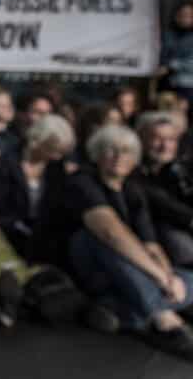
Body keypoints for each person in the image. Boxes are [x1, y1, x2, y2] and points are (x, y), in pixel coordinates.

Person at [47, 125, 193, 360]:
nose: (118, 157)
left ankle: (121, 312)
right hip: (88, 264)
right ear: (97, 154)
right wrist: (159, 277)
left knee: (186, 279)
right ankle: (163, 318)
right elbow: (110, 232)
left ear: (134, 158)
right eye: (110, 150)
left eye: (125, 151)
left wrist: (169, 277)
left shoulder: (132, 189)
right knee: (99, 238)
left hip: (127, 274)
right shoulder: (82, 182)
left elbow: (151, 244)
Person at [0, 114, 74, 260]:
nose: (57, 156)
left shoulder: (56, 167)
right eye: (53, 150)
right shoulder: (6, 163)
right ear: (39, 141)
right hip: (11, 230)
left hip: (45, 232)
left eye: (61, 152)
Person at [132, 112, 193, 268]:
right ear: (141, 139)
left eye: (171, 139)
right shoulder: (132, 171)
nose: (165, 146)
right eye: (157, 139)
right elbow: (160, 203)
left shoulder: (180, 168)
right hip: (158, 238)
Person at [161, 0, 193, 116]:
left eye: (189, 15)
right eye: (182, 15)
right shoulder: (167, 35)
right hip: (167, 84)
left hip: (188, 85)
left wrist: (170, 66)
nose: (185, 18)